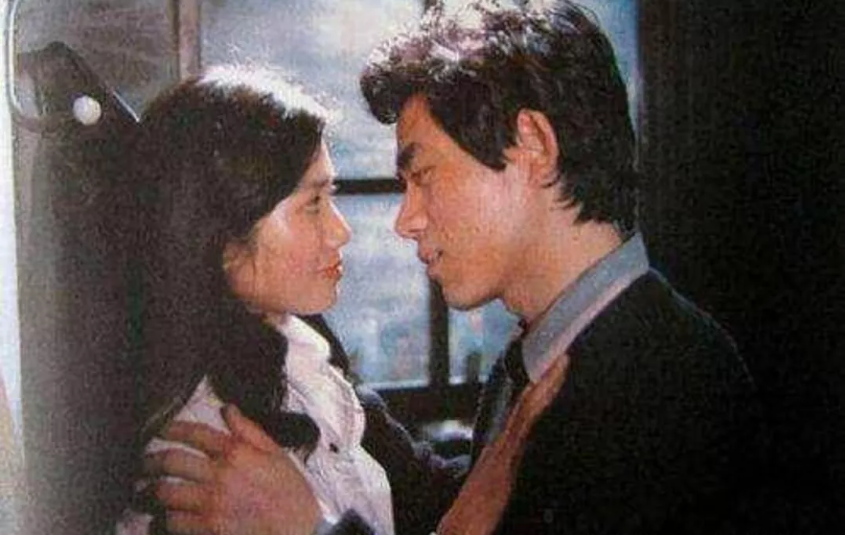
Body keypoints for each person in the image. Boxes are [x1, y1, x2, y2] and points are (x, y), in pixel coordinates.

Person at [146, 2, 765, 534]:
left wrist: (311, 528)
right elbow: (468, 508)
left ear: (532, 146)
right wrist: (308, 369)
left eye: (423, 175)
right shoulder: (560, 347)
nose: (406, 219)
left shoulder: (665, 386)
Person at [119, 65, 398, 535]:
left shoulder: (302, 357)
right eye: (313, 204)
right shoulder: (207, 449)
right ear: (224, 240)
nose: (341, 231)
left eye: (331, 196)